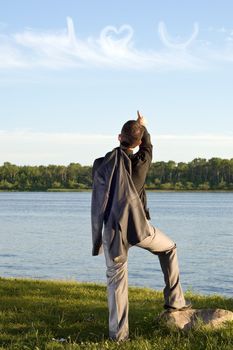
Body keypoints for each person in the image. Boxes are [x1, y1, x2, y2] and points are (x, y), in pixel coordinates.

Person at [91, 111, 190, 341]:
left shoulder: (99, 165)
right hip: (138, 227)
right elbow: (148, 147)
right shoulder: (140, 165)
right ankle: (175, 302)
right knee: (169, 248)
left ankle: (119, 337)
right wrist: (143, 127)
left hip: (113, 231)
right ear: (138, 143)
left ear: (118, 137)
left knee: (116, 281)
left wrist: (134, 132)